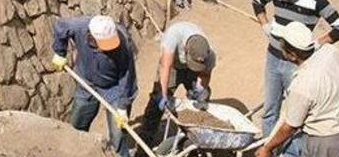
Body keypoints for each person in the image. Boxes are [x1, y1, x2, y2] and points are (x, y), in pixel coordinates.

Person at [252, 0, 339, 157]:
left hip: (295, 62)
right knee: (271, 109)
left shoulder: (315, 0)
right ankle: (268, 150)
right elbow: (256, 1)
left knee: (296, 114)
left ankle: (288, 151)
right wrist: (265, 25)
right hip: (273, 55)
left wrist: (316, 44)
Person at [255, 22, 339, 157]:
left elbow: (290, 127)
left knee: (289, 146)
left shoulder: (302, 84)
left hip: (324, 140)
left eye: (282, 48)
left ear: (291, 55)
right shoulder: (329, 52)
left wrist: (267, 149)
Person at [51, 15, 137, 157]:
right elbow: (61, 26)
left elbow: (127, 76)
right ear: (91, 37)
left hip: (113, 87)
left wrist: (122, 106)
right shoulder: (79, 26)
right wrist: (60, 52)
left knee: (118, 134)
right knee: (77, 126)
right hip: (86, 82)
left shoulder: (123, 42)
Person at [138, 21, 216, 148]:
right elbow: (165, 66)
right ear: (185, 50)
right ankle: (144, 142)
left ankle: (196, 137)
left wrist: (201, 89)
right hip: (173, 66)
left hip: (191, 71)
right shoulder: (173, 37)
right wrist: (163, 94)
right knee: (156, 102)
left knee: (203, 98)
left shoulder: (209, 53)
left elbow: (205, 74)